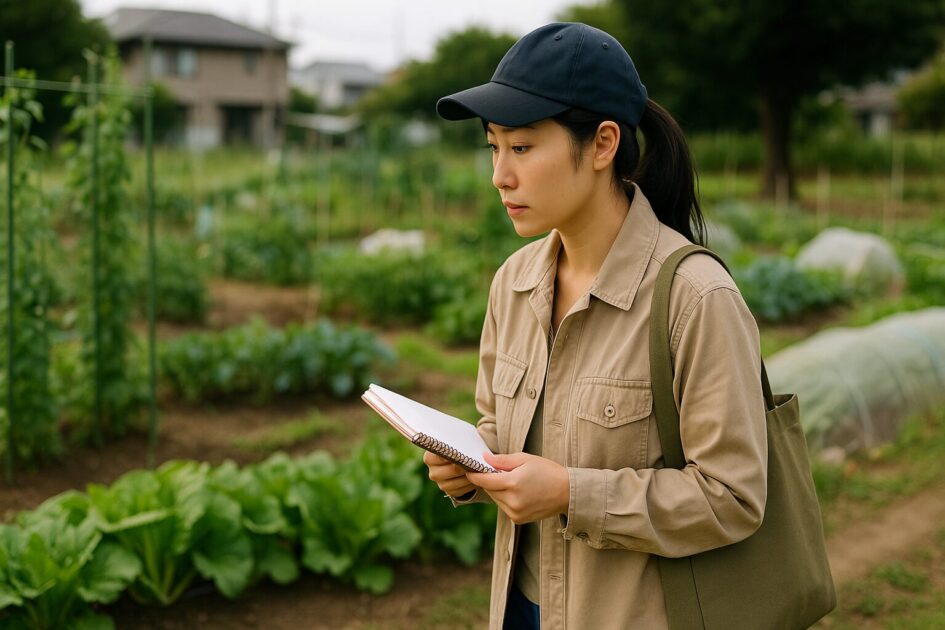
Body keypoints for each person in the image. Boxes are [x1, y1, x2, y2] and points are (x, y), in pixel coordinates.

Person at [423, 22, 767, 630]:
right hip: (521, 607)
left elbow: (733, 498)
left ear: (604, 144)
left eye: (522, 148)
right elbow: (496, 427)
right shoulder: (515, 281)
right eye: (493, 148)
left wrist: (571, 494)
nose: (501, 175)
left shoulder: (694, 297)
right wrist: (465, 467)